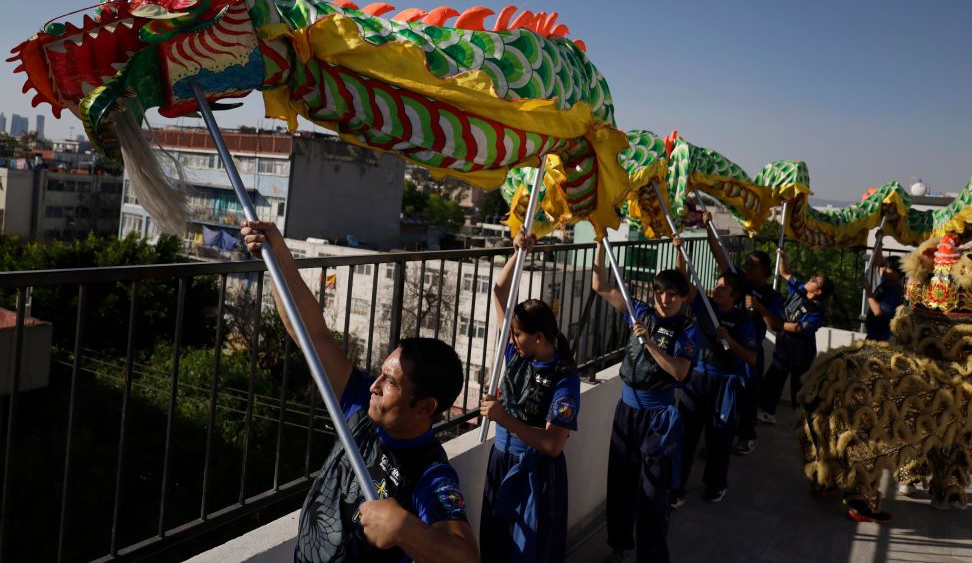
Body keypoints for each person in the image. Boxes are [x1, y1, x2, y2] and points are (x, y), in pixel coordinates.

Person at [240, 221, 479, 563]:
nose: (374, 386)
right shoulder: (361, 408)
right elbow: (309, 334)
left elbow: (467, 556)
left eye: (390, 382)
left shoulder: (428, 473)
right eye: (381, 373)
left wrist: (407, 530)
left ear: (426, 406)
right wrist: (276, 254)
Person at [593, 240, 701, 563]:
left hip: (658, 416)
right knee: (621, 481)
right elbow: (600, 285)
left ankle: (651, 556)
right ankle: (619, 545)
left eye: (672, 295)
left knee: (654, 492)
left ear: (683, 297)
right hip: (627, 408)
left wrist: (650, 343)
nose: (664, 300)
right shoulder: (639, 309)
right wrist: (600, 241)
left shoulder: (687, 329)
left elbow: (680, 372)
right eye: (659, 293)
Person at [478, 231, 581, 563]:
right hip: (501, 460)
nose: (511, 337)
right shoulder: (517, 354)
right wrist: (516, 253)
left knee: (528, 551)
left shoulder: (564, 377)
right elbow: (498, 291)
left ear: (538, 337)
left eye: (517, 333)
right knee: (494, 544)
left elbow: (552, 443)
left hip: (535, 471)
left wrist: (503, 418)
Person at [693, 217, 785, 455]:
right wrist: (708, 227)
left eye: (754, 265)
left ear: (765, 269)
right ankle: (716, 438)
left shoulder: (771, 295)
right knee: (722, 396)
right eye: (747, 263)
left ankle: (746, 435)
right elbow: (719, 255)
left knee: (747, 394)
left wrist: (758, 306)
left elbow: (777, 325)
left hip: (749, 348)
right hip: (726, 345)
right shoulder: (738, 281)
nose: (748, 267)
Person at [674, 269, 757, 504]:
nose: (717, 290)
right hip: (697, 378)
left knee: (719, 437)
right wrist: (680, 250)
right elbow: (683, 283)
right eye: (717, 285)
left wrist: (730, 340)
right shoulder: (705, 306)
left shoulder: (742, 321)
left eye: (724, 288)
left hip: (725, 384)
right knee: (685, 437)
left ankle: (715, 485)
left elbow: (752, 358)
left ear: (735, 295)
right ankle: (676, 488)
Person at [757, 248, 832, 425]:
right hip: (783, 347)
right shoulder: (799, 290)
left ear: (819, 291)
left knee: (799, 388)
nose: (809, 280)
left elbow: (800, 328)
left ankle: (805, 420)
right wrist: (783, 256)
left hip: (800, 354)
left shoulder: (817, 312)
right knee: (773, 381)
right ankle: (767, 412)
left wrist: (778, 324)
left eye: (814, 281)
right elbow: (785, 273)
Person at [863, 255, 904, 341]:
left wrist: (867, 290)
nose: (883, 270)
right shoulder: (886, 283)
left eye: (888, 268)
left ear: (898, 273)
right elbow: (879, 261)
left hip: (881, 339)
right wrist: (879, 243)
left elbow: (878, 312)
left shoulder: (895, 292)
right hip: (872, 336)